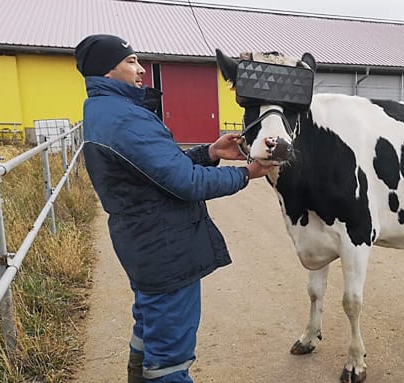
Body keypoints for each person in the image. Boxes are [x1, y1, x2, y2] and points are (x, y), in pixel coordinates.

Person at [74, 34, 275, 383]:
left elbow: (155, 169)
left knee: (149, 326)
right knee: (169, 359)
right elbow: (187, 183)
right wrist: (246, 174)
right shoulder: (126, 119)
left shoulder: (105, 111)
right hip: (164, 248)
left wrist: (209, 153)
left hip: (143, 243)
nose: (141, 70)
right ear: (108, 71)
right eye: (131, 61)